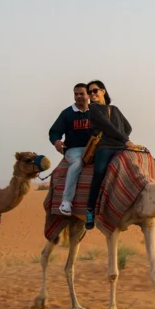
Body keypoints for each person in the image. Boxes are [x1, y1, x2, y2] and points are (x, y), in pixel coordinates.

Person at [85, 80, 136, 230]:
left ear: (103, 91)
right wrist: (125, 140)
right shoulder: (93, 109)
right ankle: (90, 211)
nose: (92, 94)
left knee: (149, 164)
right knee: (99, 173)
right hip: (105, 147)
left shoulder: (115, 109)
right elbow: (107, 126)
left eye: (95, 91)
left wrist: (122, 140)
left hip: (120, 146)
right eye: (89, 92)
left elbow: (128, 127)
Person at [48, 83, 93, 216]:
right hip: (74, 150)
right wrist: (56, 141)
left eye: (81, 94)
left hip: (94, 149)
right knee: (78, 163)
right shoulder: (67, 113)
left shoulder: (96, 112)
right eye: (76, 94)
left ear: (88, 95)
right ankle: (66, 201)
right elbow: (54, 132)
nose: (78, 97)